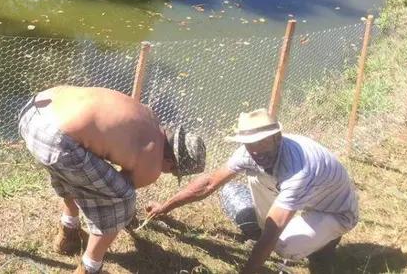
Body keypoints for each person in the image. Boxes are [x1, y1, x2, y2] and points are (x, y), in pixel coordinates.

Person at [18, 86, 206, 274]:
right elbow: (110, 193)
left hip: (35, 111)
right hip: (56, 140)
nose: (167, 173)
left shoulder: (149, 115)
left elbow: (91, 179)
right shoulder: (153, 163)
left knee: (78, 176)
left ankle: (69, 233)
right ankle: (91, 267)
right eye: (173, 171)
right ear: (170, 161)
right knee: (122, 200)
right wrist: (125, 217)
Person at [146, 109, 358, 273]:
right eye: (249, 144)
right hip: (311, 196)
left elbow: (272, 233)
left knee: (282, 246)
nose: (255, 150)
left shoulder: (298, 170)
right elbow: (209, 183)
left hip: (335, 211)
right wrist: (164, 207)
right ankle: (279, 229)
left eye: (262, 142)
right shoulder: (251, 152)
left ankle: (327, 242)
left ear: (277, 137)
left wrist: (246, 271)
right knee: (255, 174)